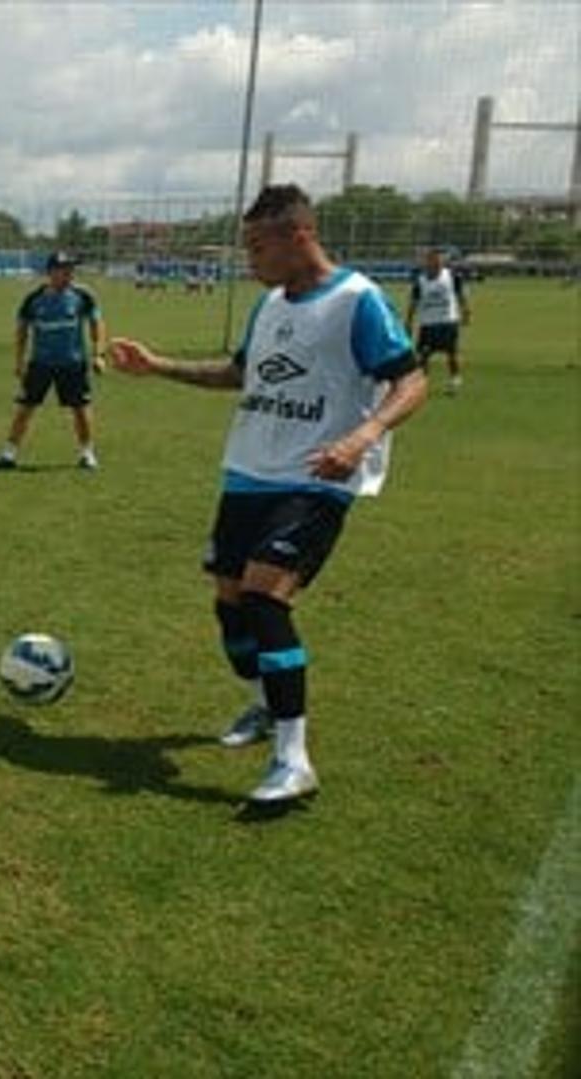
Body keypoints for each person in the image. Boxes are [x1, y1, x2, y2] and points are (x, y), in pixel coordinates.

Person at [108, 184, 428, 803]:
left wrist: (363, 435)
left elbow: (411, 379)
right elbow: (239, 374)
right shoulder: (271, 305)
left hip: (315, 477)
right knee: (229, 606)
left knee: (263, 598)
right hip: (246, 472)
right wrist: (159, 366)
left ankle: (293, 758)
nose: (249, 259)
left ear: (298, 236)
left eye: (257, 246)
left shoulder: (357, 300)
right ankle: (261, 703)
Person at [0, 252, 106, 470]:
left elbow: (96, 323)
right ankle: (8, 455)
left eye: (72, 269)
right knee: (25, 408)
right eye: (65, 269)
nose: (70, 273)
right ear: (52, 272)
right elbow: (22, 330)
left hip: (73, 364)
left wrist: (99, 354)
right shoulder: (33, 299)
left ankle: (87, 454)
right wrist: (19, 361)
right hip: (40, 364)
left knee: (80, 409)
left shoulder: (83, 295)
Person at [406, 246, 471, 395]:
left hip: (448, 321)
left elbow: (460, 295)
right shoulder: (420, 280)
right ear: (427, 262)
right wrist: (409, 322)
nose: (436, 262)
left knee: (451, 353)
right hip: (428, 323)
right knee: (423, 355)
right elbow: (414, 302)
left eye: (439, 259)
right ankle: (422, 384)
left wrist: (466, 312)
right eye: (431, 260)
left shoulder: (452, 276)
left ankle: (455, 381)